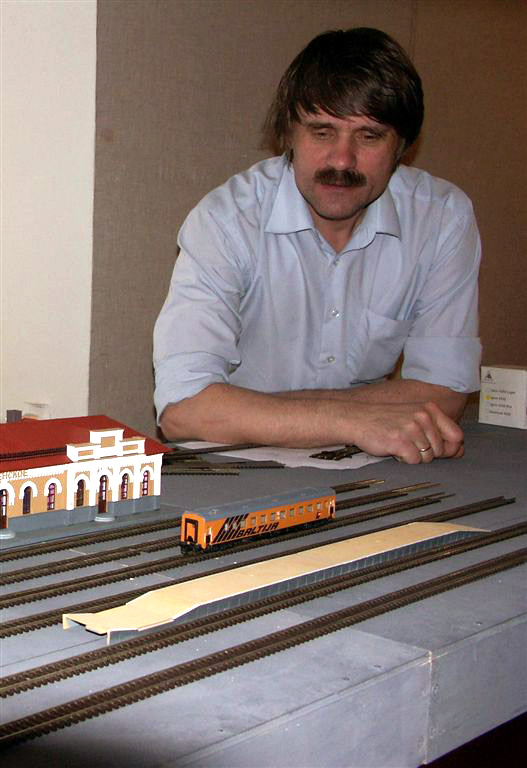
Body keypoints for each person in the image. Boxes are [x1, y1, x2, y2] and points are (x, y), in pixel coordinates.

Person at [153, 27, 481, 464]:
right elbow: (184, 409)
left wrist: (260, 411)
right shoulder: (226, 221)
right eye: (322, 132)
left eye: (369, 136)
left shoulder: (441, 219)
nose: (342, 160)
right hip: (235, 468)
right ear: (288, 134)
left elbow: (445, 392)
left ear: (403, 146)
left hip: (376, 468)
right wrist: (353, 420)